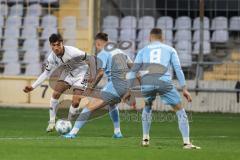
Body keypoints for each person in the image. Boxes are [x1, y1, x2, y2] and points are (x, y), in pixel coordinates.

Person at [23, 33, 120, 135]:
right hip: (68, 74)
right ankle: (51, 122)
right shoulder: (51, 58)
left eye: (58, 45)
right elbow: (46, 73)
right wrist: (32, 87)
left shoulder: (73, 52)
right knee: (55, 93)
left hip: (82, 75)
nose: (56, 48)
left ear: (62, 44)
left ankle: (68, 121)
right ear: (50, 45)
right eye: (53, 45)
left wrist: (92, 74)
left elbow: (91, 59)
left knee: (75, 102)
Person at [124, 28, 201, 149]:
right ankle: (187, 143)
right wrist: (184, 88)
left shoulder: (143, 50)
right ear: (162, 38)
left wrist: (129, 91)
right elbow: (178, 69)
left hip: (147, 82)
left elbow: (133, 71)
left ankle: (145, 139)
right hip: (163, 82)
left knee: (147, 106)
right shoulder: (170, 50)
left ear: (150, 37)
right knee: (179, 109)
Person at [64, 32, 133, 139]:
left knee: (89, 107)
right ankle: (117, 132)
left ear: (98, 43)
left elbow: (100, 73)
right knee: (112, 105)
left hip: (114, 85)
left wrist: (90, 88)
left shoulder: (103, 53)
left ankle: (72, 133)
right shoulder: (121, 52)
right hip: (124, 85)